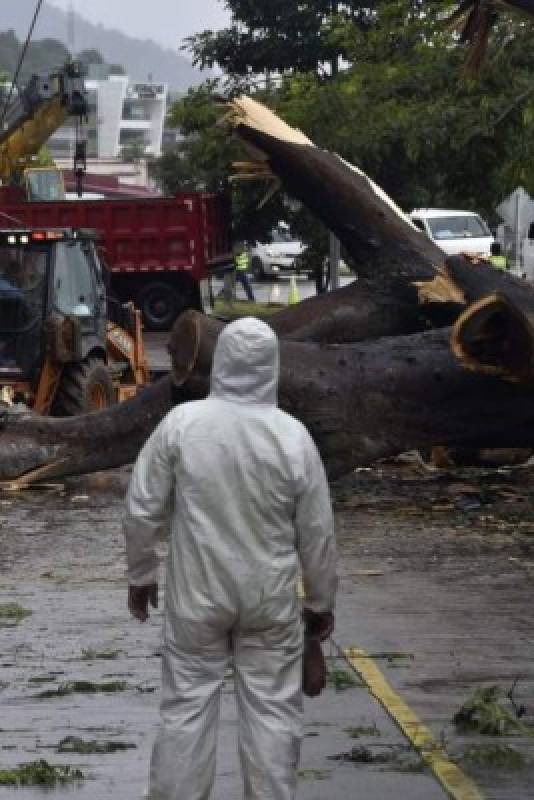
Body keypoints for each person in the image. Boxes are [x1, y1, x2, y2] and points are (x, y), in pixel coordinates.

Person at [123, 317, 338, 800]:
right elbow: (318, 533)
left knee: (185, 711)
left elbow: (141, 508)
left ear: (220, 363)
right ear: (273, 367)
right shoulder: (293, 437)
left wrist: (141, 574)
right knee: (272, 716)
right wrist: (321, 602)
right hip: (269, 601)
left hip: (196, 598)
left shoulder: (182, 425)